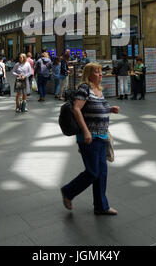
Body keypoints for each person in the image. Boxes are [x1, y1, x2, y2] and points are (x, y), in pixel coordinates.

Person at [60, 63, 120, 215]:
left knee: (102, 173)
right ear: (89, 74)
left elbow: (96, 108)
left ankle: (101, 206)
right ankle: (68, 191)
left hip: (102, 136)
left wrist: (109, 109)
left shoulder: (98, 90)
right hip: (89, 138)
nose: (100, 74)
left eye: (101, 72)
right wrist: (86, 131)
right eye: (97, 72)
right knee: (93, 172)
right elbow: (76, 109)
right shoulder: (84, 88)